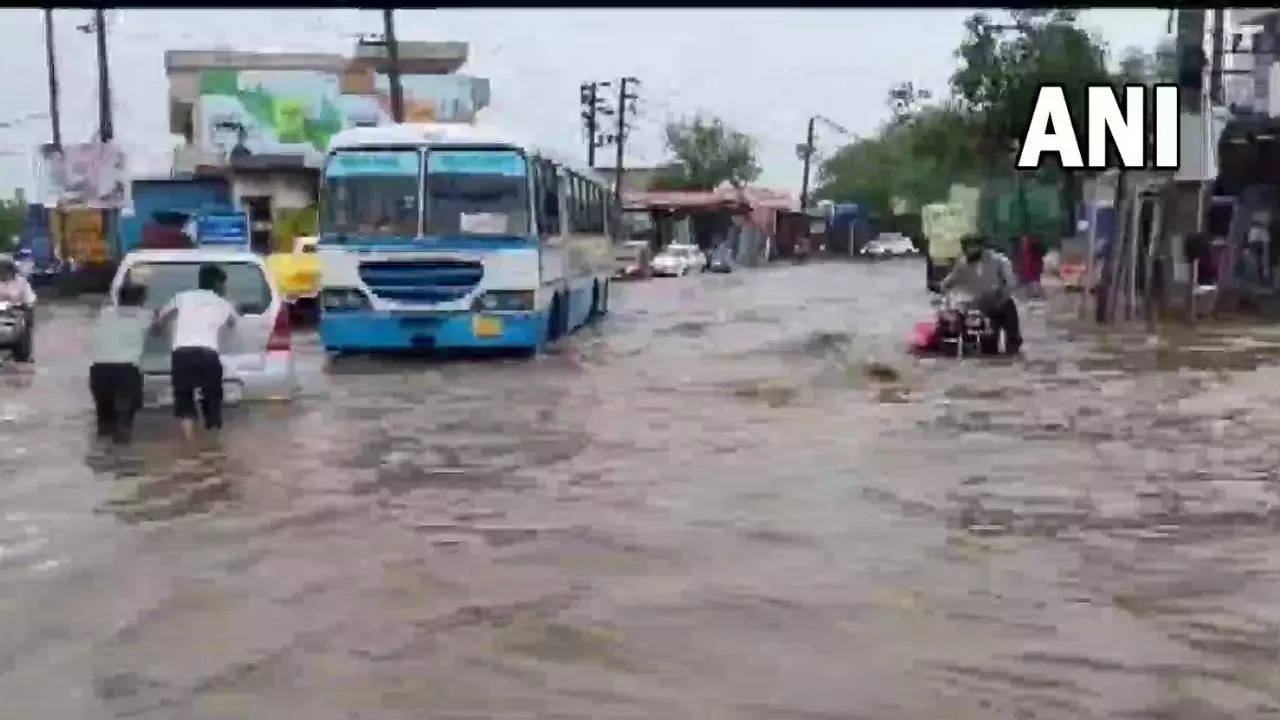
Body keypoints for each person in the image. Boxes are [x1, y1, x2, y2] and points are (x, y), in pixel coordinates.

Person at [151, 263, 239, 441]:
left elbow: (159, 321)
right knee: (212, 399)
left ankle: (189, 443)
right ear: (217, 284)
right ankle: (213, 444)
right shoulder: (223, 304)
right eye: (223, 284)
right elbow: (232, 324)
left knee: (184, 399)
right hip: (208, 355)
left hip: (182, 355)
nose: (225, 288)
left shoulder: (182, 297)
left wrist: (158, 329)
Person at [939, 234, 1022, 355]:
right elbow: (950, 281)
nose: (969, 251)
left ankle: (1013, 350)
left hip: (1002, 303)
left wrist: (1000, 297)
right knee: (988, 350)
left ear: (981, 247)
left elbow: (1011, 283)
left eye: (972, 247)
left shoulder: (999, 261)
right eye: (966, 247)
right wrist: (942, 291)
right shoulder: (962, 264)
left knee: (1013, 344)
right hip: (981, 307)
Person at [89, 283, 150, 443]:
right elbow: (159, 330)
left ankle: (104, 461)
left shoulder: (104, 313)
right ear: (142, 299)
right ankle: (122, 458)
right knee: (125, 420)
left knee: (104, 423)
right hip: (126, 371)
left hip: (99, 370)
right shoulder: (146, 316)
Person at [0, 253, 37, 362]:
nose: (2, 273)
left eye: (4, 270)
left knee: (26, 320)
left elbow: (30, 299)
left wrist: (26, 305)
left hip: (16, 312)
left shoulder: (21, 282)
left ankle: (23, 350)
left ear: (11, 270)